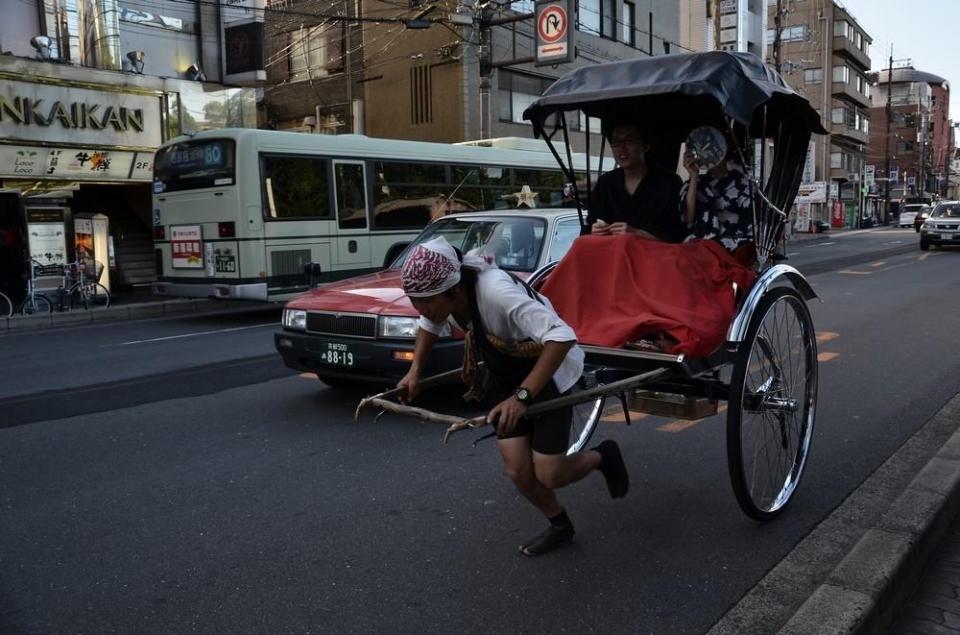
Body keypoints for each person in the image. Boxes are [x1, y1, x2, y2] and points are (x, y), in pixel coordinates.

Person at [396, 237, 629, 557]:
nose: (420, 310)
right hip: (504, 375)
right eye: (414, 301)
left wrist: (521, 397)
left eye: (426, 302)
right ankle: (560, 524)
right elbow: (429, 322)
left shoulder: (495, 293)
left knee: (550, 473)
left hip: (546, 372)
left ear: (454, 289)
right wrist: (415, 372)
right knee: (519, 470)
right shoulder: (443, 296)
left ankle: (604, 456)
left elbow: (561, 337)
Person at [588, 123, 685, 243]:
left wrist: (635, 233)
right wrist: (595, 230)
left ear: (645, 146)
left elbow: (677, 236)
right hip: (611, 255)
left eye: (629, 140)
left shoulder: (670, 183)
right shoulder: (605, 183)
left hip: (654, 257)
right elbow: (589, 225)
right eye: (616, 142)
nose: (622, 148)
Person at [681, 127, 756, 263]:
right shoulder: (695, 183)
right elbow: (687, 218)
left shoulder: (745, 184)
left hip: (734, 244)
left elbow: (751, 224)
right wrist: (693, 177)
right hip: (699, 244)